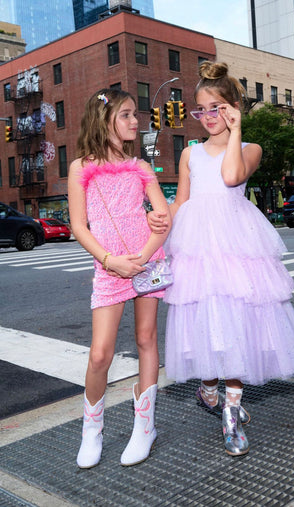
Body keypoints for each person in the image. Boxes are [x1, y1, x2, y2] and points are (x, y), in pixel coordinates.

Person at [148, 62, 294, 456]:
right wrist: (157, 227)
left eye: (216, 108)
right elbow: (182, 201)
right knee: (204, 318)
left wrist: (237, 129)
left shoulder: (250, 148)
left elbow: (232, 178)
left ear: (234, 107)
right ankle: (208, 386)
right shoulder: (189, 154)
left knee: (238, 321)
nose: (208, 117)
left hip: (238, 243)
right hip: (197, 246)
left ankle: (232, 413)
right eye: (200, 110)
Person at [68, 88, 171, 469]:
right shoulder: (81, 167)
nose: (135, 121)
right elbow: (79, 226)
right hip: (109, 267)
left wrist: (141, 258)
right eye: (126, 114)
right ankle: (91, 432)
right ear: (104, 119)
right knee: (100, 354)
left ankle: (144, 427)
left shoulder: (141, 167)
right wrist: (112, 261)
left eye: (134, 115)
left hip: (147, 262)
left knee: (146, 338)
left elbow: (162, 217)